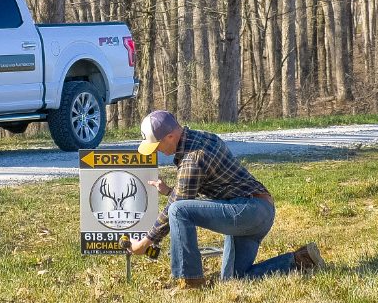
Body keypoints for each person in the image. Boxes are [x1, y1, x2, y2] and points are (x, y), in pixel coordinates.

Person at [128, 110, 325, 289]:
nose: (155, 151)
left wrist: (144, 243)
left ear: (171, 136)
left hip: (247, 210)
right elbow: (188, 192)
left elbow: (178, 205)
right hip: (258, 211)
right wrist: (169, 190)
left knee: (177, 211)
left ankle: (189, 282)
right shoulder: (202, 137)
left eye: (157, 145)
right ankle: (300, 261)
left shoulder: (192, 158)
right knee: (232, 280)